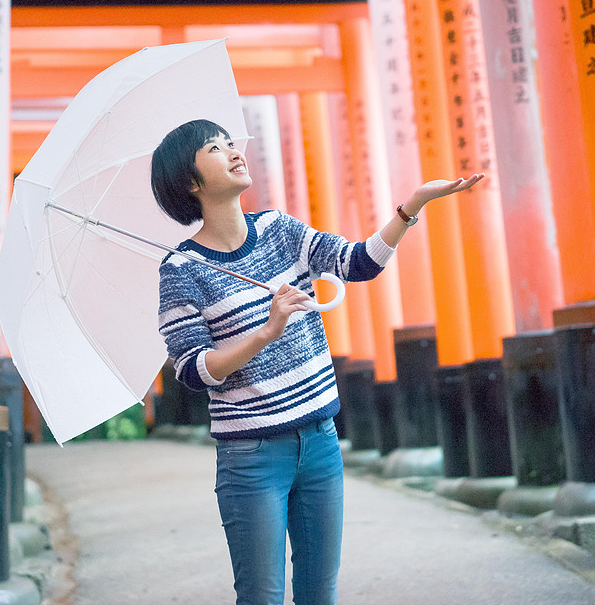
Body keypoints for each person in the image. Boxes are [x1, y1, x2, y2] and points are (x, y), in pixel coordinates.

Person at [151, 118, 483, 605]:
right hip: (252, 456)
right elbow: (193, 371)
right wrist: (267, 330)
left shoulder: (279, 229)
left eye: (229, 143)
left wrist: (413, 205)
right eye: (214, 149)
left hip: (321, 442)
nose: (233, 152)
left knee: (318, 592)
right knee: (261, 596)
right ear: (191, 182)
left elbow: (358, 263)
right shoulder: (182, 270)